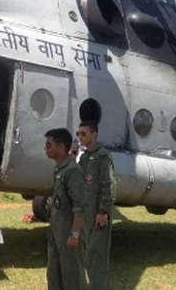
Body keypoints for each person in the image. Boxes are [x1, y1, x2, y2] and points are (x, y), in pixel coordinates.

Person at [44, 128, 87, 290]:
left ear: (61, 147)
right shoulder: (59, 169)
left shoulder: (73, 171)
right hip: (56, 230)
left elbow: (80, 206)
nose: (45, 149)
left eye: (49, 145)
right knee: (54, 275)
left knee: (72, 277)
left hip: (68, 230)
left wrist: (74, 234)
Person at [77, 121, 115, 290]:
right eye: (78, 134)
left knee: (97, 256)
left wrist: (103, 211)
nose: (80, 137)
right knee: (87, 254)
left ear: (94, 134)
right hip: (86, 212)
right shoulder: (84, 157)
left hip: (98, 213)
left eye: (83, 133)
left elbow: (109, 185)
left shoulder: (103, 156)